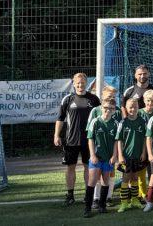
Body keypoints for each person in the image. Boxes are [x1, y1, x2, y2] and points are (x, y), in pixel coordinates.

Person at [54, 73, 101, 207]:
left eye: (82, 83)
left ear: (86, 83)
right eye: (78, 83)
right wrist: (56, 135)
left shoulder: (94, 99)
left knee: (88, 168)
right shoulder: (68, 99)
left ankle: (88, 195)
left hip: (89, 141)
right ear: (74, 84)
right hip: (70, 141)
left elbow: (101, 118)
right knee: (70, 168)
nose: (80, 85)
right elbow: (60, 119)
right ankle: (70, 195)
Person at [84, 99, 119, 217]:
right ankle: (87, 208)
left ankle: (102, 206)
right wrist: (92, 155)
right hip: (96, 157)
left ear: (114, 110)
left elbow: (116, 141)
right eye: (106, 108)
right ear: (101, 108)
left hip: (108, 158)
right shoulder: (95, 121)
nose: (108, 110)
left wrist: (115, 155)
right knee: (92, 181)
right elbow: (90, 139)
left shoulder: (115, 124)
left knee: (105, 181)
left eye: (111, 108)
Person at [114, 99, 147, 212]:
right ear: (126, 109)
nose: (133, 109)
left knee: (135, 177)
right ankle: (124, 203)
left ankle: (135, 200)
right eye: (130, 107)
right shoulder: (123, 122)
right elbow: (119, 140)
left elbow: (144, 139)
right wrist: (120, 156)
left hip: (138, 156)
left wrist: (143, 152)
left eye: (135, 107)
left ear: (138, 107)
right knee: (125, 178)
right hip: (126, 156)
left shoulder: (142, 121)